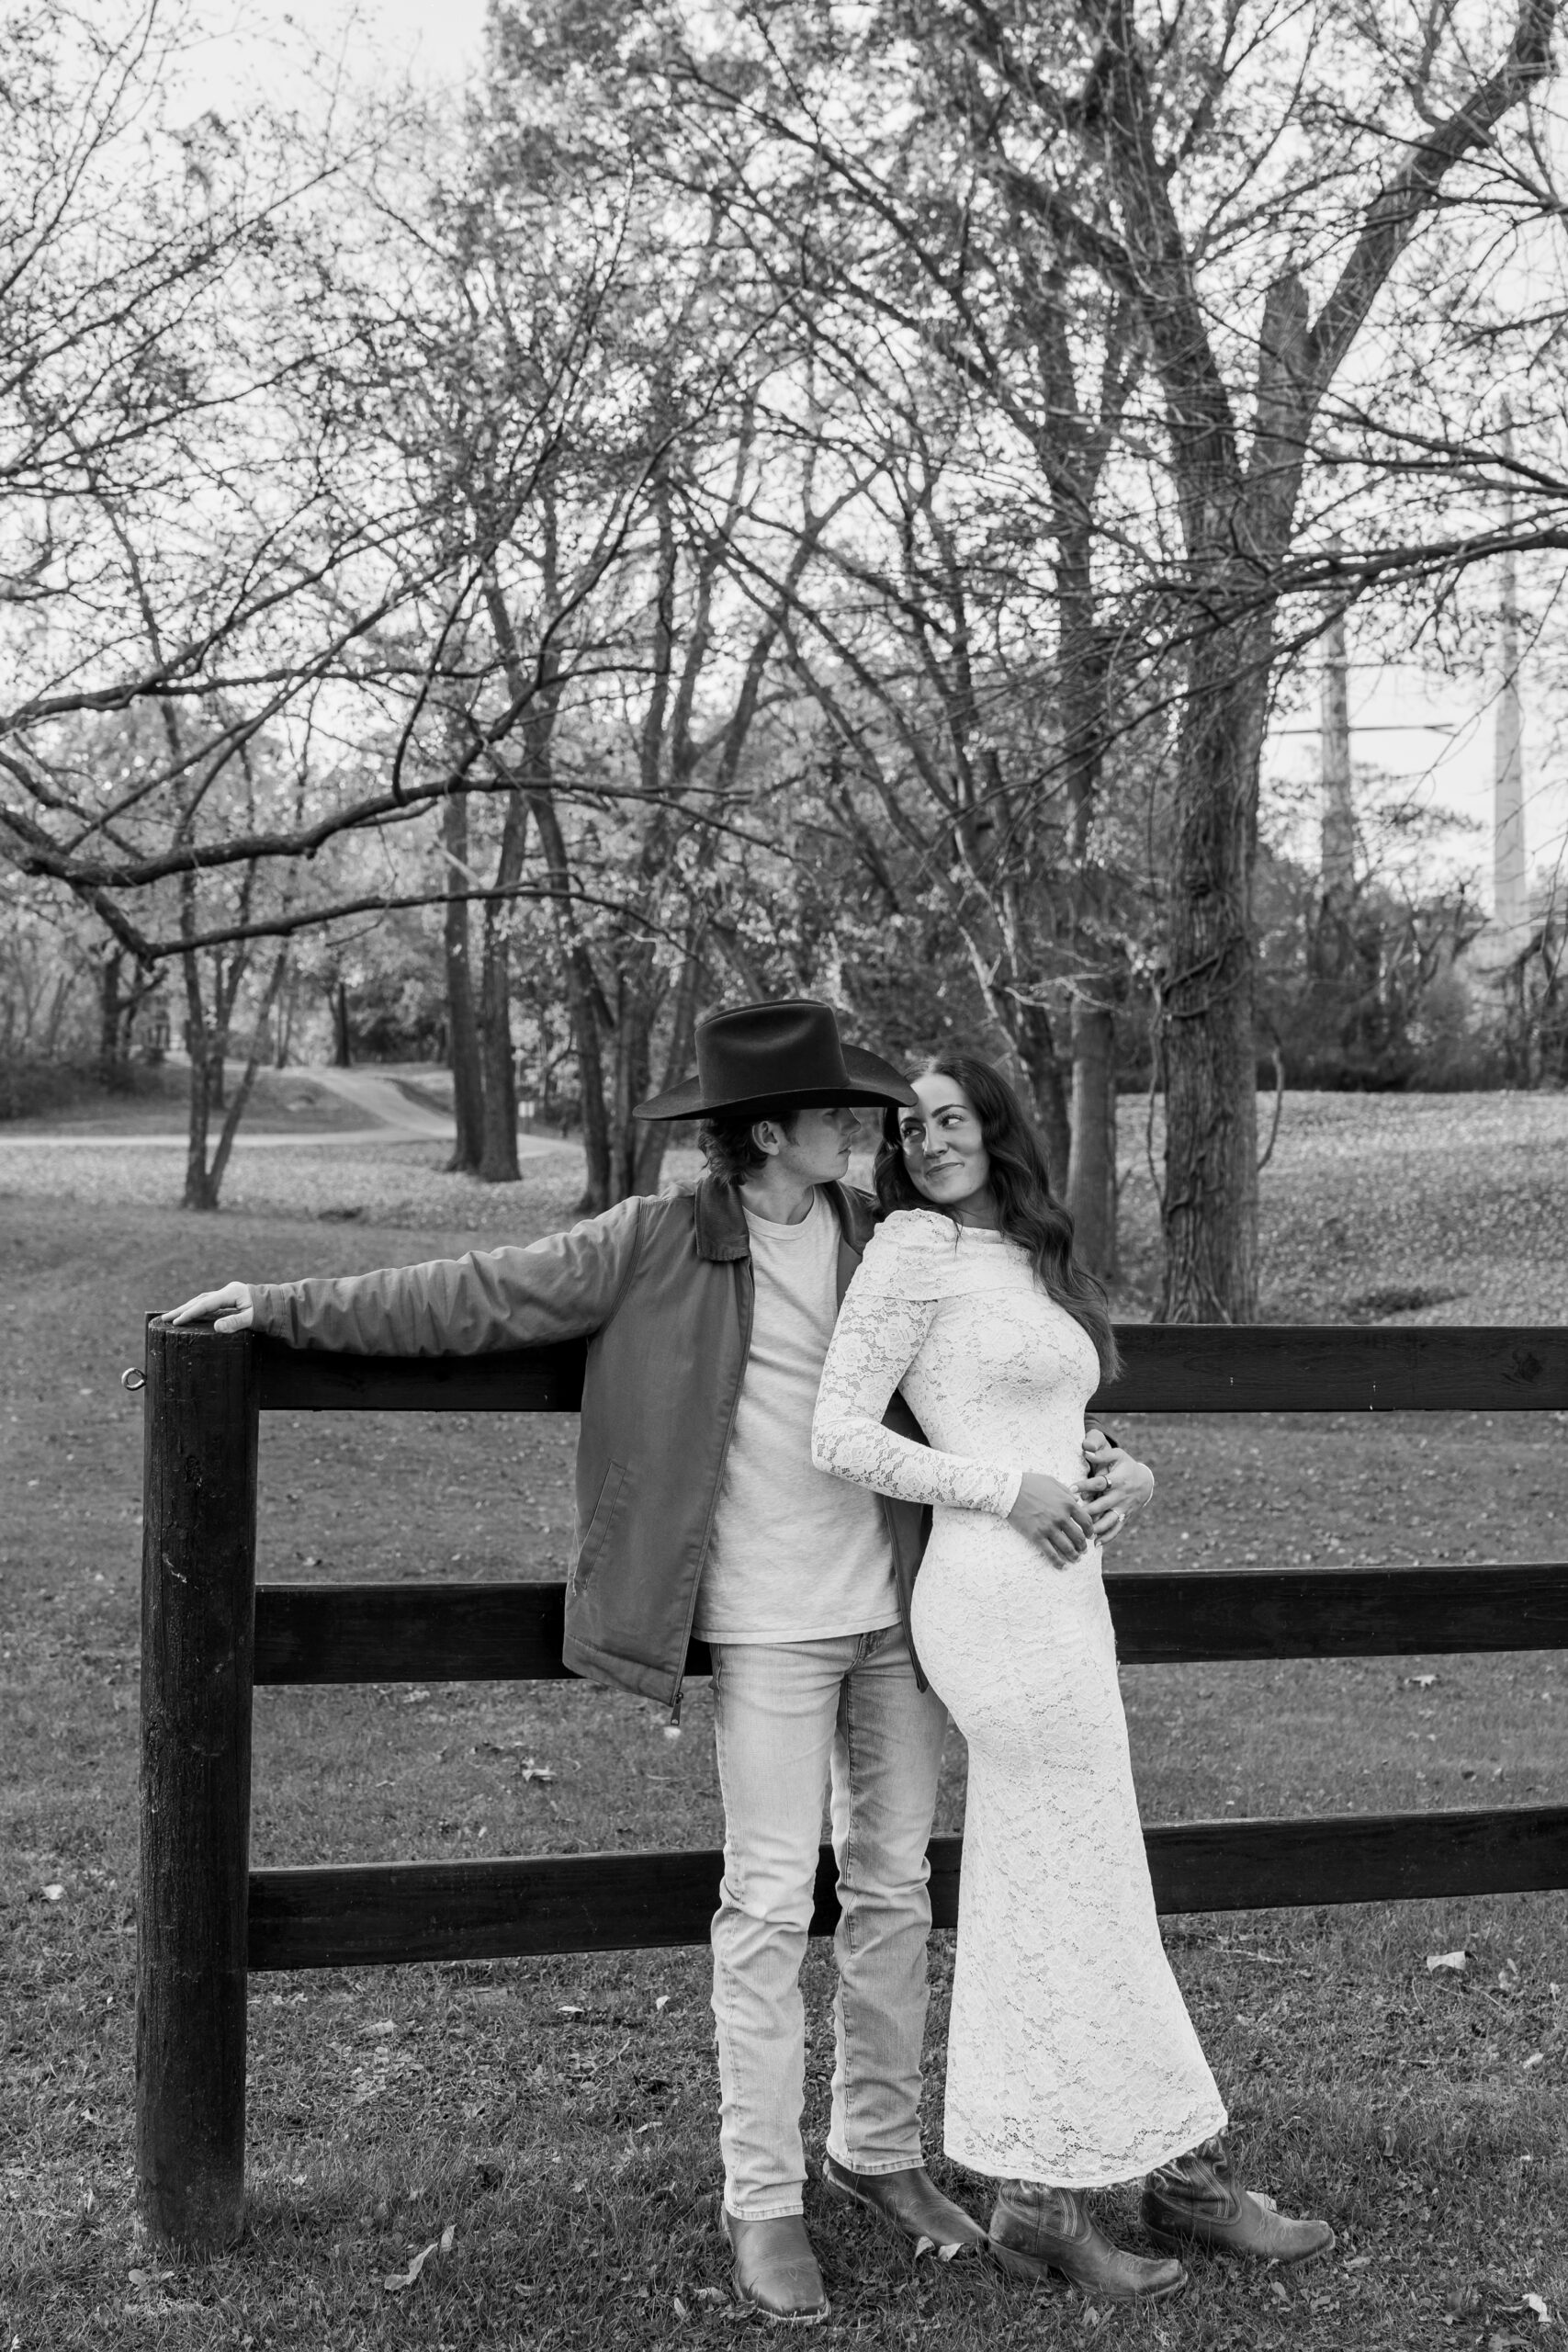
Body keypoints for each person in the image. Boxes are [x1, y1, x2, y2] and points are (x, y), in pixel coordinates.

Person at [169, 1001, 1132, 2322]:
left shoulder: (882, 1238)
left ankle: (879, 2153)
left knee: (897, 1886)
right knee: (769, 1898)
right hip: (766, 1623)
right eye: (843, 1114)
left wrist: (1106, 1454)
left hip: (898, 1617)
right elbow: (479, 1295)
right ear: (771, 1131)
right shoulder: (660, 1240)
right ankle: (763, 2197)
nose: (870, 1131)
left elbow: (1009, 1360)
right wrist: (279, 1304)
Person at [811, 1051, 1335, 2305]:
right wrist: (1006, 1487)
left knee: (1092, 1873)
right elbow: (839, 1431)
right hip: (988, 1598)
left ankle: (1160, 2177)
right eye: (912, 1128)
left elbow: (1047, 1415)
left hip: (1064, 1596)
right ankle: (1054, 2197)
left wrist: (1121, 1472)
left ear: (996, 1128)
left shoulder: (1032, 1252)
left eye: (952, 1118)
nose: (931, 1140)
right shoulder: (910, 1251)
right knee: (1053, 1878)